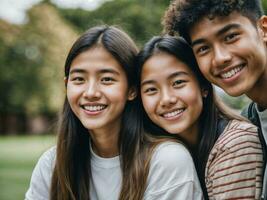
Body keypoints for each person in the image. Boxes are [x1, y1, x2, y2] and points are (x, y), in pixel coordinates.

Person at [25, 25, 203, 200]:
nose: (91, 93)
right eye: (79, 79)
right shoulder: (52, 164)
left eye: (107, 79)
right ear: (66, 85)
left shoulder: (167, 160)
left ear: (132, 90)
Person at [137, 35, 263, 199]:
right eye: (151, 90)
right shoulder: (154, 153)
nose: (167, 99)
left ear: (203, 86)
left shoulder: (235, 143)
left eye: (178, 82)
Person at [163, 0, 267, 199]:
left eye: (231, 36)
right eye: (203, 49)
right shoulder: (250, 120)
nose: (220, 58)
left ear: (263, 29)